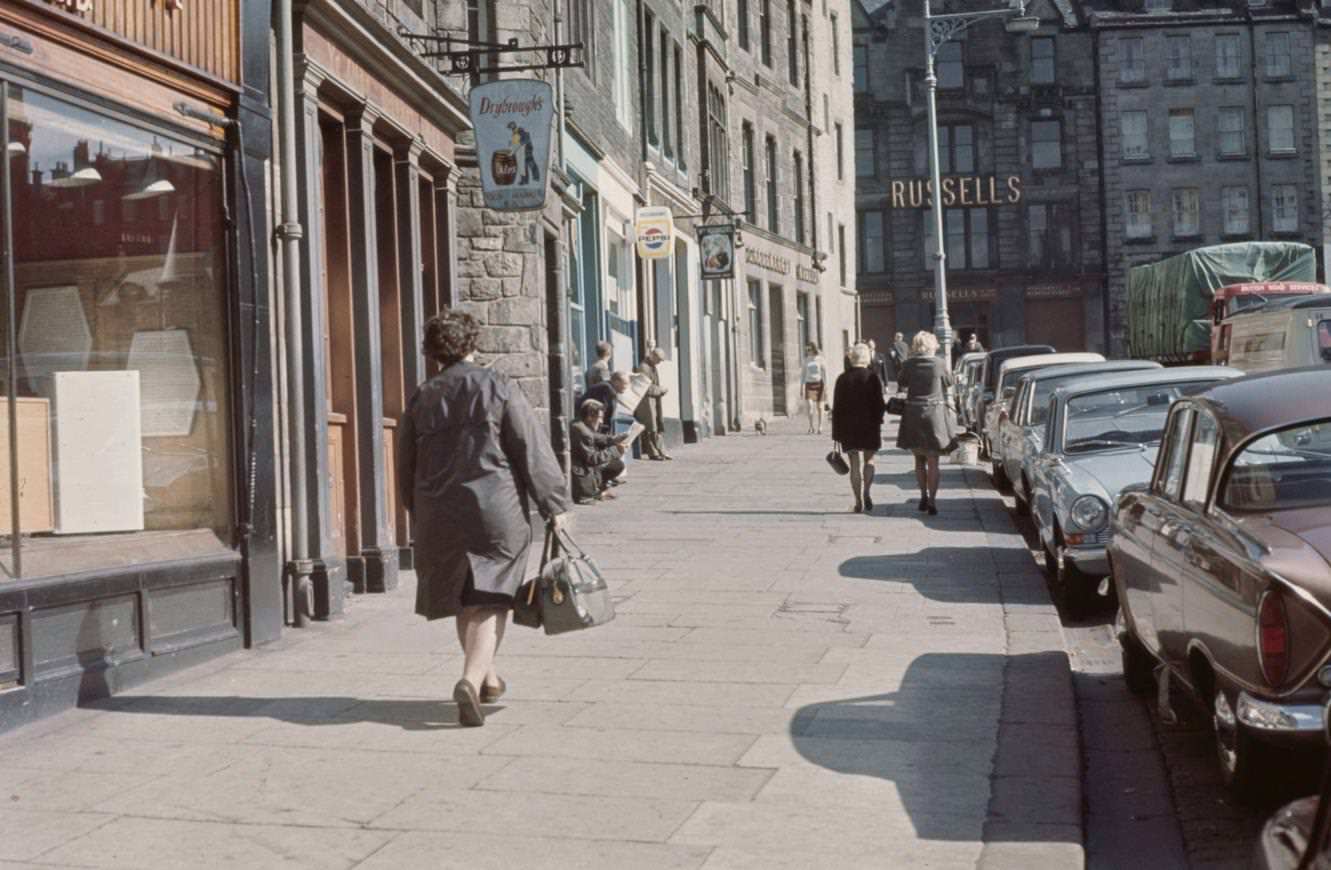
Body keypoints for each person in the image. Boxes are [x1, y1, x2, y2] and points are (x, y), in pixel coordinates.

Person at [397, 309, 569, 728]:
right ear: (474, 343)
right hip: (496, 508)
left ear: (432, 351)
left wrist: (416, 512)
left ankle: (488, 677)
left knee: (464, 594)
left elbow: (405, 464)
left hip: (440, 511)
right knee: (492, 596)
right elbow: (530, 446)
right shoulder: (498, 385)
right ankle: (471, 679)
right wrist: (555, 504)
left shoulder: (423, 396)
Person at [896, 330, 958, 516]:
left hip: (914, 414)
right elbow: (949, 382)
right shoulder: (939, 363)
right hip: (935, 416)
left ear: (915, 345)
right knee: (933, 461)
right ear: (933, 345)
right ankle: (932, 500)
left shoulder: (909, 364)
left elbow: (902, 382)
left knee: (918, 459)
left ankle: (923, 494)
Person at [831, 343, 887, 513]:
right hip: (869, 425)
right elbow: (879, 404)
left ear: (851, 357)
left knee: (854, 465)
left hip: (848, 427)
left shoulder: (842, 379)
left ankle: (857, 502)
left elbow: (837, 407)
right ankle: (867, 492)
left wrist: (836, 432)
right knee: (869, 460)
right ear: (867, 358)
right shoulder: (872, 377)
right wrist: (879, 419)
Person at [571, 399, 629, 503]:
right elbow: (592, 458)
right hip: (582, 474)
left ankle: (601, 487)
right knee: (617, 464)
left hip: (582, 466)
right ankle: (599, 489)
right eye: (600, 418)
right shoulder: (582, 432)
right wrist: (615, 450)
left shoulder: (579, 424)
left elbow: (596, 436)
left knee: (616, 463)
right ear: (590, 417)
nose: (601, 422)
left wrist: (613, 439)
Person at [635, 348, 671, 461]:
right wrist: (660, 390)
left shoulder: (652, 367)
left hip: (652, 401)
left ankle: (661, 451)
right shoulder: (644, 368)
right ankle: (654, 452)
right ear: (653, 356)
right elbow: (645, 387)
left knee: (656, 427)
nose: (659, 362)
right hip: (646, 402)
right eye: (659, 360)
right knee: (651, 428)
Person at [580, 370, 629, 434]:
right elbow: (601, 414)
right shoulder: (605, 389)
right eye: (625, 383)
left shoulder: (609, 389)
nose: (626, 387)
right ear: (616, 382)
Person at [800, 343, 828, 434]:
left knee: (820, 407)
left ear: (813, 349)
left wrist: (826, 385)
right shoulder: (806, 360)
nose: (807, 352)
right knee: (810, 405)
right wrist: (801, 386)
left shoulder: (820, 359)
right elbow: (803, 374)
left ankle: (820, 427)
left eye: (809, 350)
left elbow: (825, 372)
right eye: (806, 350)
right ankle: (811, 426)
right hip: (809, 384)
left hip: (819, 384)